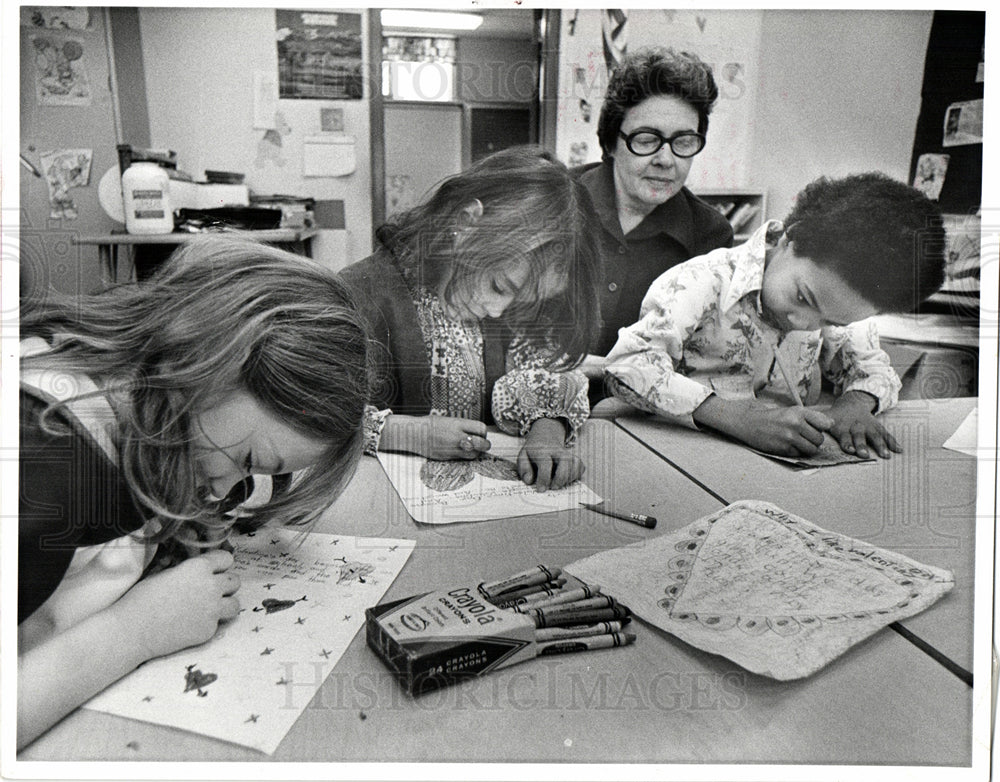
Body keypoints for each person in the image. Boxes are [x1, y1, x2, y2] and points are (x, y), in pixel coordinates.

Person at [18, 236, 371, 748]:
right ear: (207, 359)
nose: (229, 490)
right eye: (248, 462)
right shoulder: (44, 466)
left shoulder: (155, 413)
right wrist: (132, 632)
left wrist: (181, 526)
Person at [603, 172, 946, 459]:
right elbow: (628, 365)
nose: (806, 323)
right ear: (789, 239)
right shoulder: (700, 281)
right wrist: (739, 419)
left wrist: (855, 405)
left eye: (833, 322)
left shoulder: (835, 304)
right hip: (677, 452)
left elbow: (874, 368)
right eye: (802, 297)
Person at [340, 145, 602, 491]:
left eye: (521, 301)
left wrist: (547, 432)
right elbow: (311, 413)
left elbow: (540, 371)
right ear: (465, 224)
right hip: (372, 501)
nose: (498, 311)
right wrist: (406, 432)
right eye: (498, 286)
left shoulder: (504, 303)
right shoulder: (360, 294)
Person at [574, 47, 735, 360]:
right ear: (610, 142)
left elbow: (696, 356)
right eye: (647, 140)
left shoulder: (711, 236)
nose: (666, 160)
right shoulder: (554, 201)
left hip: (644, 403)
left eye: (684, 142)